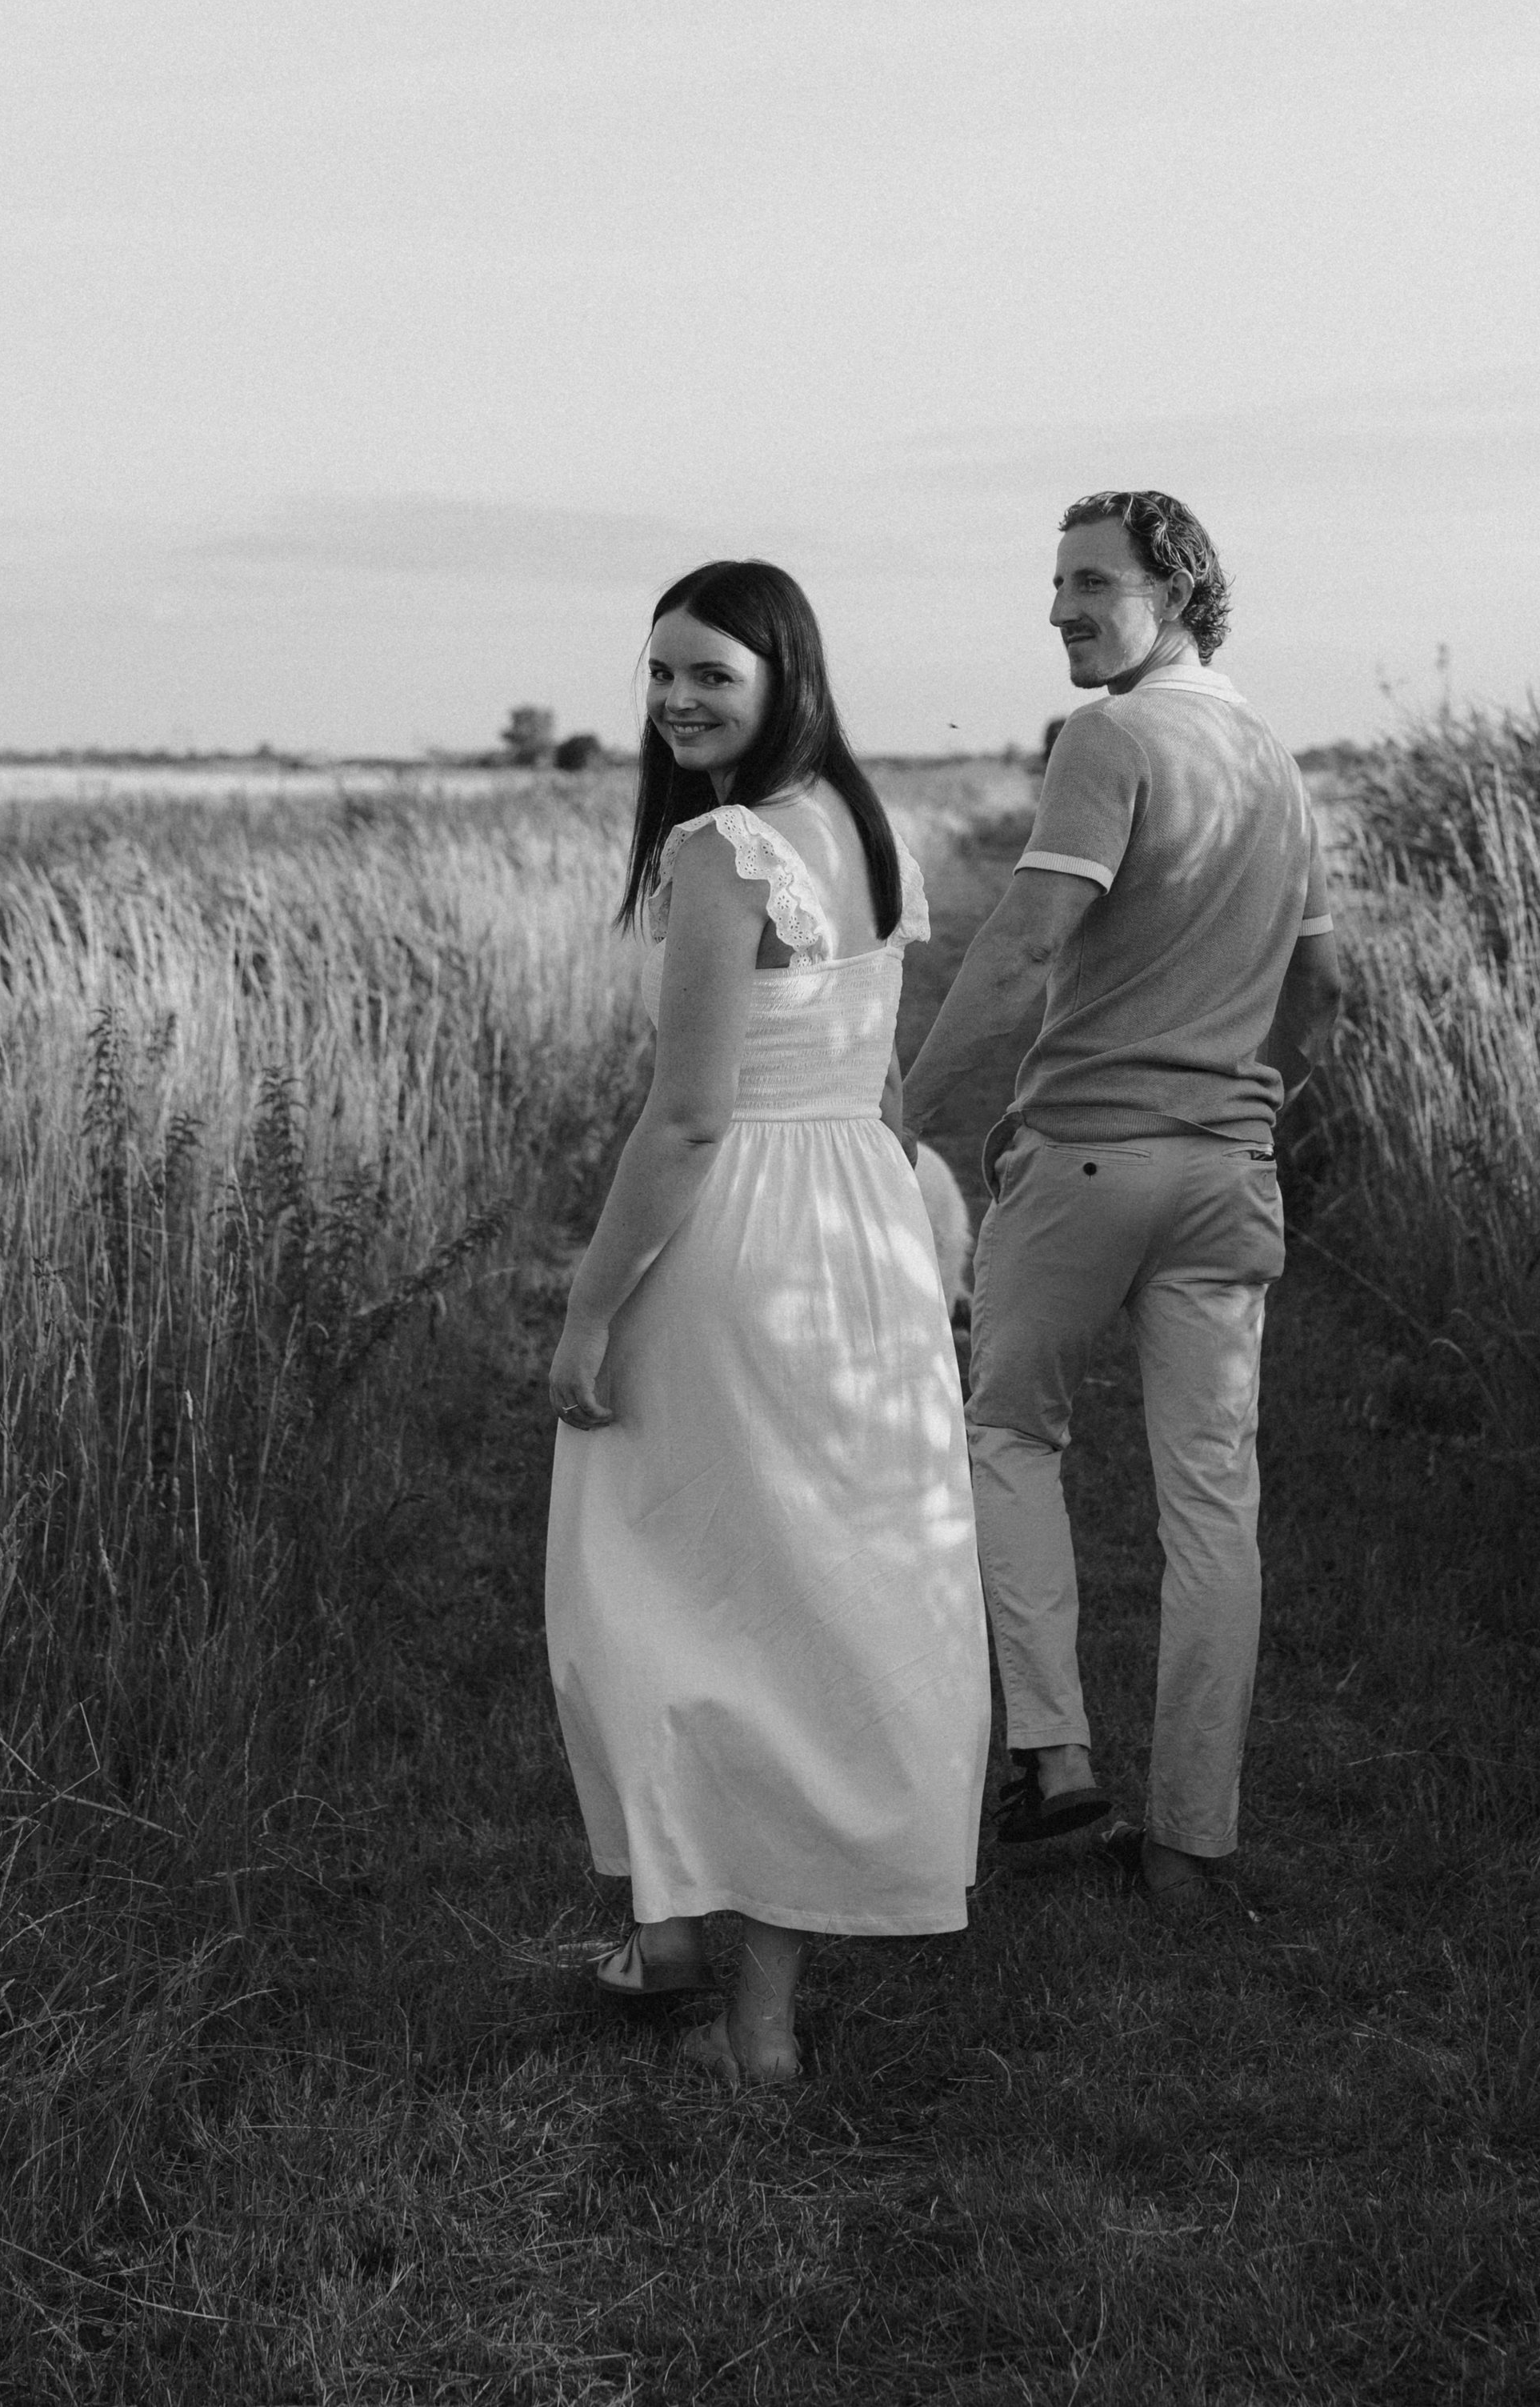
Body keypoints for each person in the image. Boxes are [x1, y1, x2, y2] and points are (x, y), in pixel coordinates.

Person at [544, 560, 990, 2086]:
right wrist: (920, 1230)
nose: (674, 702)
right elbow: (882, 1080)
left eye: (708, 678)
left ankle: (699, 1943)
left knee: (632, 1566)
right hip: (855, 1216)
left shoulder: (726, 849)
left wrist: (591, 1315)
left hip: (744, 1225)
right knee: (812, 1585)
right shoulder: (869, 828)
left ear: (779, 674)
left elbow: (684, 1120)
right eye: (659, 673)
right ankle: (727, 1978)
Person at [902, 491, 1341, 1908]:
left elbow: (1029, 944)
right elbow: (1321, 990)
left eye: (1091, 583)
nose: (1060, 612)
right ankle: (1194, 1844)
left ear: (1180, 584)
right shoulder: (1277, 763)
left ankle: (1054, 1750)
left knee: (1009, 1432)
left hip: (1087, 1158)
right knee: (1214, 1501)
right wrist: (1245, 1092)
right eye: (1056, 586)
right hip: (1228, 1175)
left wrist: (901, 1099)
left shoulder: (1110, 736)